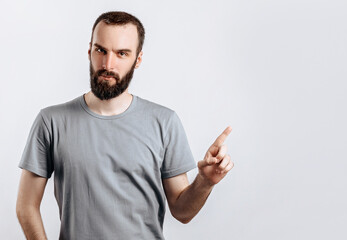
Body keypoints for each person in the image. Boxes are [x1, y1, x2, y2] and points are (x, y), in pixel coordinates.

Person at [16, 11, 234, 240]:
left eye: (121, 53)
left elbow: (182, 212)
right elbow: (26, 206)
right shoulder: (51, 122)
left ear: (137, 60)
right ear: (89, 50)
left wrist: (205, 182)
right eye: (101, 50)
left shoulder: (164, 122)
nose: (108, 64)